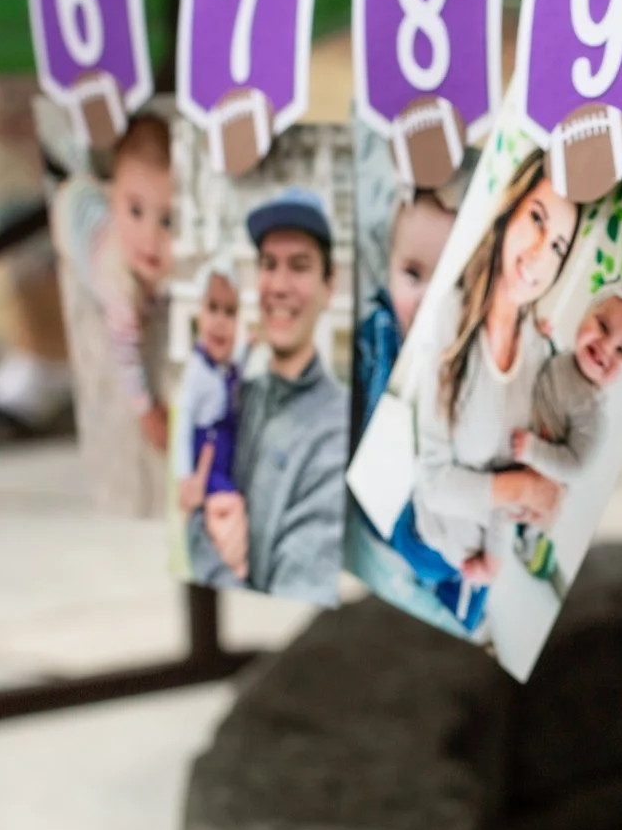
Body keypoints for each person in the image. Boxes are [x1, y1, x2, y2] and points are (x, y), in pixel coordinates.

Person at [402, 152, 576, 622]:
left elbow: (516, 467)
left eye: (559, 245)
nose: (542, 251)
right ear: (509, 213)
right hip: (428, 548)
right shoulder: (449, 320)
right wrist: (523, 487)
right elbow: (435, 483)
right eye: (537, 219)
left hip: (486, 564)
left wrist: (498, 554)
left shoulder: (541, 357)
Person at [188, 188, 348, 605]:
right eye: (268, 265)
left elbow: (295, 598)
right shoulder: (234, 397)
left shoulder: (336, 431)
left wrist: (196, 531)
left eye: (299, 267)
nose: (278, 285)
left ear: (329, 286)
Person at [54, 113, 176, 514]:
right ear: (115, 198)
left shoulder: (165, 259)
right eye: (135, 211)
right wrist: (147, 411)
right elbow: (126, 350)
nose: (150, 237)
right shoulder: (117, 278)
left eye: (168, 220)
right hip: (71, 215)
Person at [514, 264, 622, 485]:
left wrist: (533, 451)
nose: (606, 347)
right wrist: (543, 339)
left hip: (526, 467)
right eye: (603, 326)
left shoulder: (591, 411)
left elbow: (576, 465)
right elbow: (552, 369)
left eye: (621, 351)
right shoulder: (567, 359)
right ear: (585, 314)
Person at [352, 184, 457, 439]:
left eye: (447, 279)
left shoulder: (463, 351)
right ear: (388, 270)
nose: (428, 299)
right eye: (413, 274)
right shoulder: (371, 343)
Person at [176, 256, 244, 521]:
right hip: (208, 459)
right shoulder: (196, 372)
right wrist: (184, 477)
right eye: (212, 309)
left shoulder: (227, 366)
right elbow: (183, 423)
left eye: (229, 312)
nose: (220, 321)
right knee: (228, 507)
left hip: (229, 457)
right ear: (198, 315)